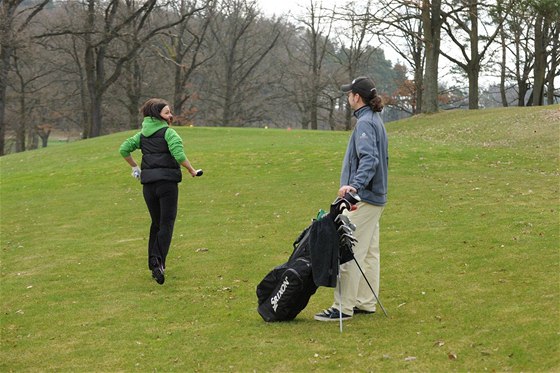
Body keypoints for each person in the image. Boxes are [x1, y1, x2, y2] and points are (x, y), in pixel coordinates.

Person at [314, 76, 388, 321]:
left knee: (348, 249)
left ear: (357, 97)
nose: (348, 97)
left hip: (363, 197)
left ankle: (343, 307)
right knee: (369, 253)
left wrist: (352, 188)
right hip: (374, 197)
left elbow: (369, 160)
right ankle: (365, 302)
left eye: (349, 94)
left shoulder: (366, 123)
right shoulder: (374, 119)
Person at [119, 98, 199, 285]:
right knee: (166, 223)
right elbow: (178, 155)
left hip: (148, 186)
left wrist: (135, 167)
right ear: (157, 115)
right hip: (167, 185)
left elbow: (123, 149)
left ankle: (153, 262)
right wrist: (191, 170)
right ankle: (157, 260)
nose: (170, 116)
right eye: (166, 113)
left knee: (156, 223)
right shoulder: (169, 133)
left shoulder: (141, 135)